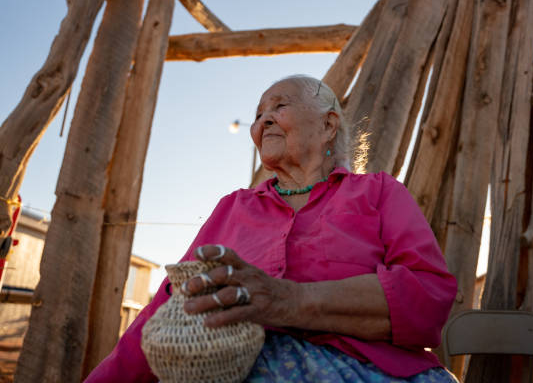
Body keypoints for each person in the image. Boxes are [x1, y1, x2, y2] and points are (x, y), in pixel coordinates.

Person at [86, 75, 459, 382]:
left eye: (279, 106)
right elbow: (171, 303)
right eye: (258, 113)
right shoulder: (234, 207)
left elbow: (428, 297)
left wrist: (285, 300)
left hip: (372, 370)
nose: (262, 120)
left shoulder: (377, 192)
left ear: (328, 125)